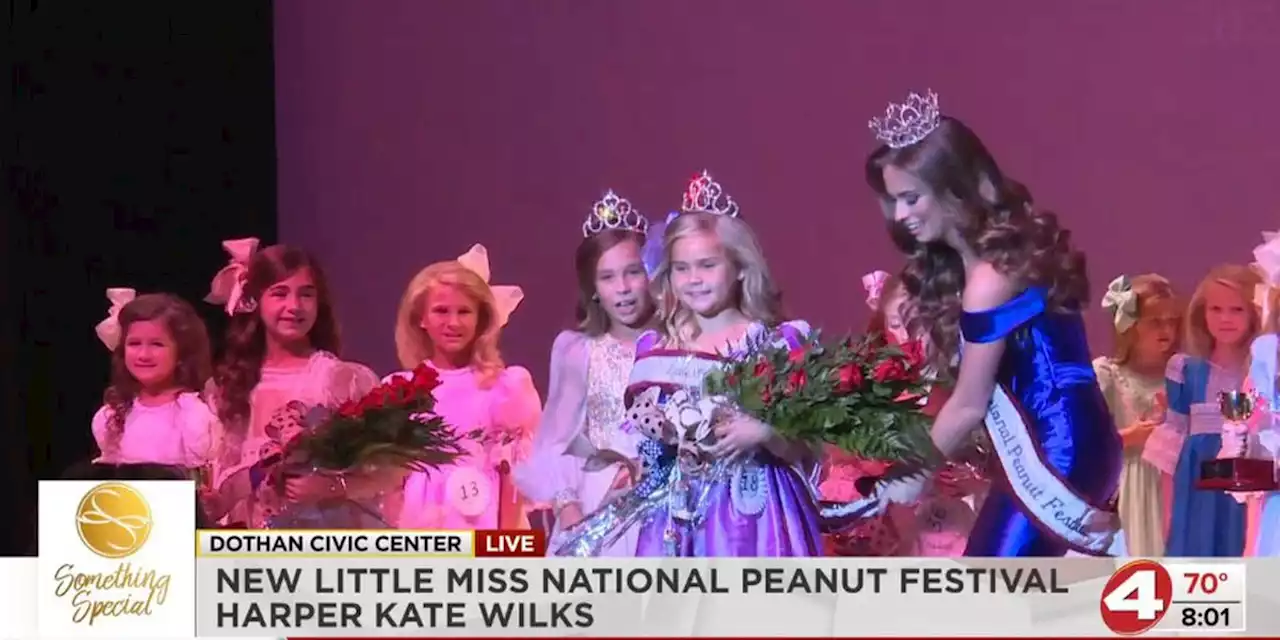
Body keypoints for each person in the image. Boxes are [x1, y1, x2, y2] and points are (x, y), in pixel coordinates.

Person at [860, 89, 1122, 556]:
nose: (899, 215)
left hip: (1054, 451)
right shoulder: (1001, 257)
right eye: (893, 200)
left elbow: (969, 404)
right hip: (1070, 440)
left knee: (990, 599)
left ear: (952, 186)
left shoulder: (988, 278)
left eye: (910, 197)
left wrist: (911, 472)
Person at [552, 171, 823, 557]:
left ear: (740, 266)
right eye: (681, 268)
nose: (693, 279)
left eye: (707, 265)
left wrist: (765, 433)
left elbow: (806, 446)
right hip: (677, 520)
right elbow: (649, 454)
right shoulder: (658, 349)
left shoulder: (773, 343)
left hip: (753, 515)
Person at [513, 190, 657, 553]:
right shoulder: (579, 350)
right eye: (607, 277)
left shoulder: (678, 344)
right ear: (593, 289)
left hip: (663, 506)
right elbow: (557, 439)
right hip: (597, 508)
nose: (622, 289)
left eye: (633, 272)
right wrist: (569, 509)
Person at [202, 238, 380, 526]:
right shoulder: (230, 386)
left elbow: (383, 473)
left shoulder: (340, 381)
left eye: (306, 294)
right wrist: (218, 499)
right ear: (256, 301)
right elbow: (223, 481)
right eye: (280, 293)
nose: (294, 306)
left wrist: (328, 488)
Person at [389, 244, 542, 530]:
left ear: (481, 318)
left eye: (464, 312)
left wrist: (507, 551)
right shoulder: (401, 392)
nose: (453, 323)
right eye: (441, 311)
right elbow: (392, 488)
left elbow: (513, 483)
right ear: (421, 318)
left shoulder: (503, 389)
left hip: (481, 528)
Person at [1145, 265, 1260, 556]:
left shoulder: (1263, 369)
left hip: (1250, 490)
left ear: (1255, 313)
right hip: (1196, 494)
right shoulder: (1186, 368)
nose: (1225, 319)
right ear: (1201, 313)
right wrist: (1169, 513)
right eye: (1216, 309)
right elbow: (1173, 442)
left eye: (1237, 310)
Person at [1092, 274, 1181, 557]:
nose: (1166, 328)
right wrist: (1132, 437)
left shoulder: (1183, 372)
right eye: (1155, 321)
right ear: (1130, 326)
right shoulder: (1109, 375)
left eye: (1172, 320)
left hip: (1176, 484)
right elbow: (1086, 445)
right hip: (1131, 486)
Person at [90, 289, 218, 470]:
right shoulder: (115, 415)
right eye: (134, 344)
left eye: (157, 344)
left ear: (181, 352)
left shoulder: (192, 415)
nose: (144, 355)